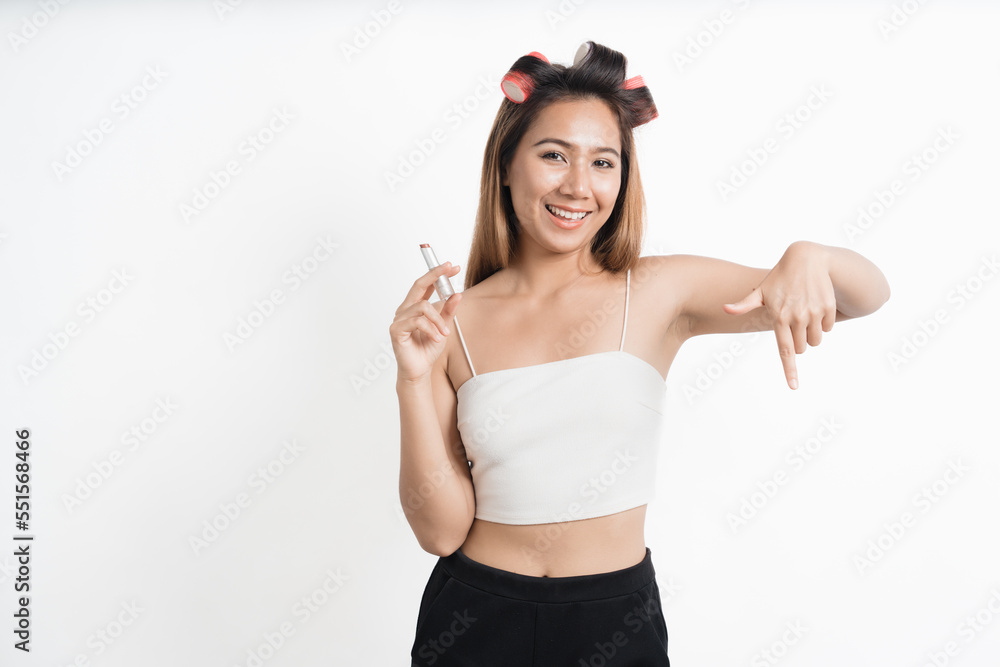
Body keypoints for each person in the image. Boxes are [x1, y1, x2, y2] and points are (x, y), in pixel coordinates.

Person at [391, 41, 890, 666]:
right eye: (553, 155)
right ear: (507, 165)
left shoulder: (658, 292)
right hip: (474, 617)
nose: (578, 186)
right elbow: (440, 532)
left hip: (614, 622)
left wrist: (809, 255)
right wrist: (413, 380)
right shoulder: (453, 323)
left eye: (603, 162)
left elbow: (866, 294)